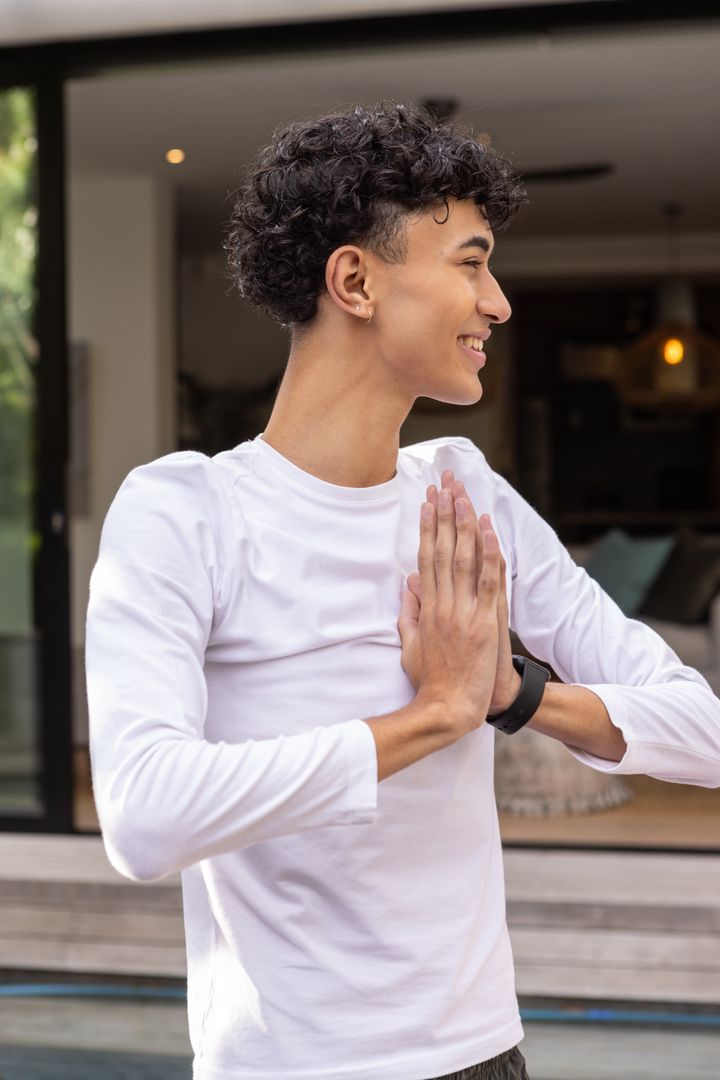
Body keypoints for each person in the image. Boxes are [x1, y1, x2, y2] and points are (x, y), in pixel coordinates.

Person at [85, 102, 720, 1080]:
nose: (499, 301)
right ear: (356, 280)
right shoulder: (185, 513)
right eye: (469, 262)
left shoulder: (468, 497)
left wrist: (513, 695)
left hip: (480, 1057)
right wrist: (433, 717)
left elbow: (705, 733)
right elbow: (144, 817)